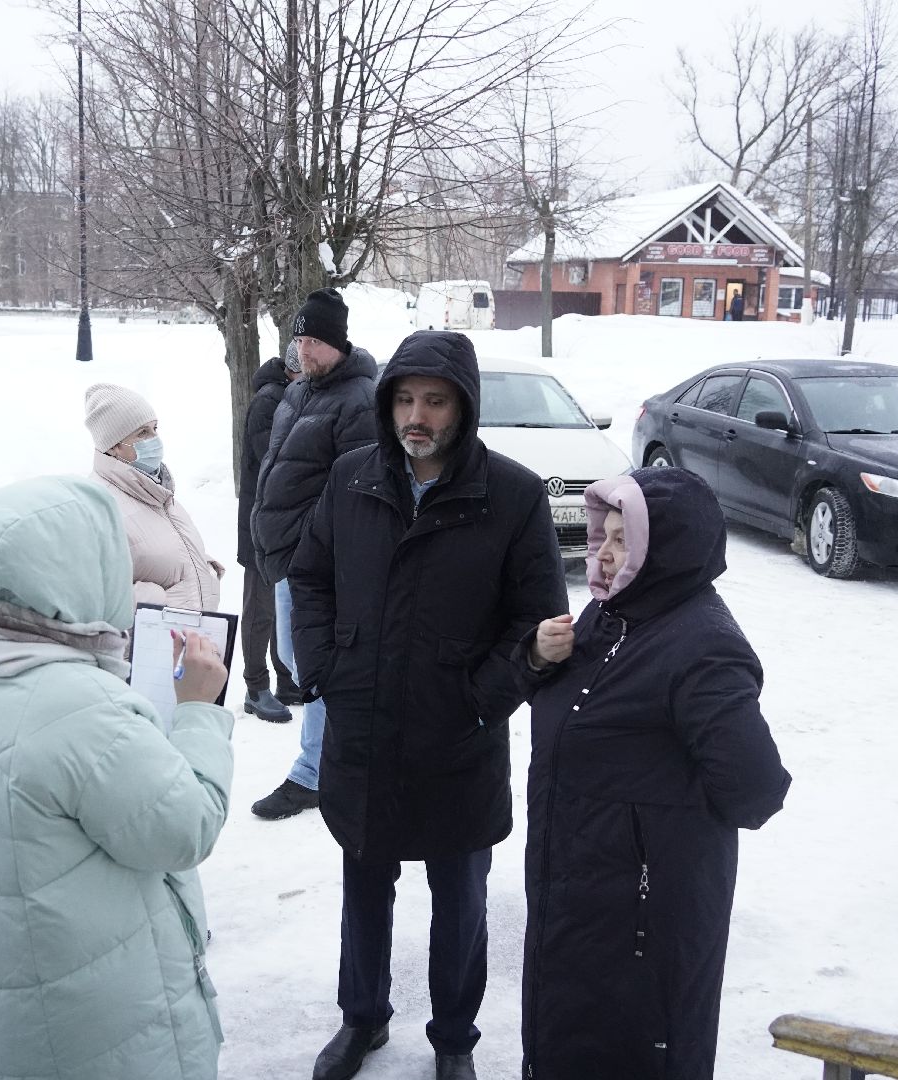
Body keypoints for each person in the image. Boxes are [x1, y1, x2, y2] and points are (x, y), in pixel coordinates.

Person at [286, 330, 568, 1080]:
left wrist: (482, 698)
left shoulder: (509, 495)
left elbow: (535, 622)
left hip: (459, 744)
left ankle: (453, 1040)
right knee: (365, 892)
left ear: (464, 409)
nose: (418, 416)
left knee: (460, 905)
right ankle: (362, 1020)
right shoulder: (351, 478)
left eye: (435, 401)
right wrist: (323, 665)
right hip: (364, 731)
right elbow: (309, 575)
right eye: (406, 399)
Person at [0, 475, 234, 1080]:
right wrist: (199, 712)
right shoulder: (78, 708)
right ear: (72, 571)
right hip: (94, 1025)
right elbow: (185, 828)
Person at [517, 466, 791, 1080]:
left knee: (635, 1049)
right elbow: (582, 716)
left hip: (645, 913)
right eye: (604, 536)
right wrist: (536, 658)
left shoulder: (702, 646)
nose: (606, 555)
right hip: (576, 886)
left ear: (664, 548)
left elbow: (754, 790)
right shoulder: (612, 617)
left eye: (624, 539)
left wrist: (652, 822)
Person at [248, 288, 378, 819]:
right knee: (300, 665)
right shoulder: (299, 393)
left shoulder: (360, 401)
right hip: (283, 557)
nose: (302, 351)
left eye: (313, 341)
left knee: (316, 667)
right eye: (298, 339)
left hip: (314, 565)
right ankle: (335, 758)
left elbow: (354, 495)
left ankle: (315, 771)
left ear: (337, 344)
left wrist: (311, 551)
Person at [86, 383, 224, 611]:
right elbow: (91, 596)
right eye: (142, 432)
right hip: (148, 643)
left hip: (189, 640)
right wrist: (155, 604)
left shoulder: (159, 492)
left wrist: (204, 569)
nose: (154, 440)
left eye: (155, 429)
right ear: (113, 447)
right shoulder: (99, 506)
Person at [238, 342, 303, 722]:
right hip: (260, 521)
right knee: (260, 606)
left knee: (284, 604)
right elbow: (273, 460)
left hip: (282, 522)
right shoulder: (269, 401)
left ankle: (286, 678)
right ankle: (255, 686)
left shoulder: (289, 396)